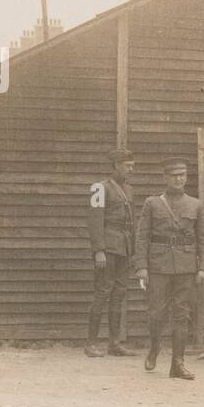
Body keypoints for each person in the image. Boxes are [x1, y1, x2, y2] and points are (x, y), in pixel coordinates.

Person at [134, 158, 204, 379]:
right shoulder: (152, 203)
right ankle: (154, 348)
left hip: (186, 268)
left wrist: (203, 267)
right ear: (165, 178)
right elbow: (143, 237)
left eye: (183, 175)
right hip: (158, 267)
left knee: (182, 315)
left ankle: (178, 363)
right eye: (175, 175)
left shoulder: (195, 204)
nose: (179, 179)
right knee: (156, 313)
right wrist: (142, 267)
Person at [86, 148, 135, 358]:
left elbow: (130, 222)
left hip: (123, 248)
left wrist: (132, 250)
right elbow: (95, 221)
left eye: (132, 166)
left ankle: (114, 344)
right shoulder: (99, 188)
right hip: (107, 248)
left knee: (119, 294)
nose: (130, 170)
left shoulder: (129, 189)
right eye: (127, 166)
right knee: (102, 293)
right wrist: (99, 251)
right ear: (116, 166)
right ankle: (91, 344)